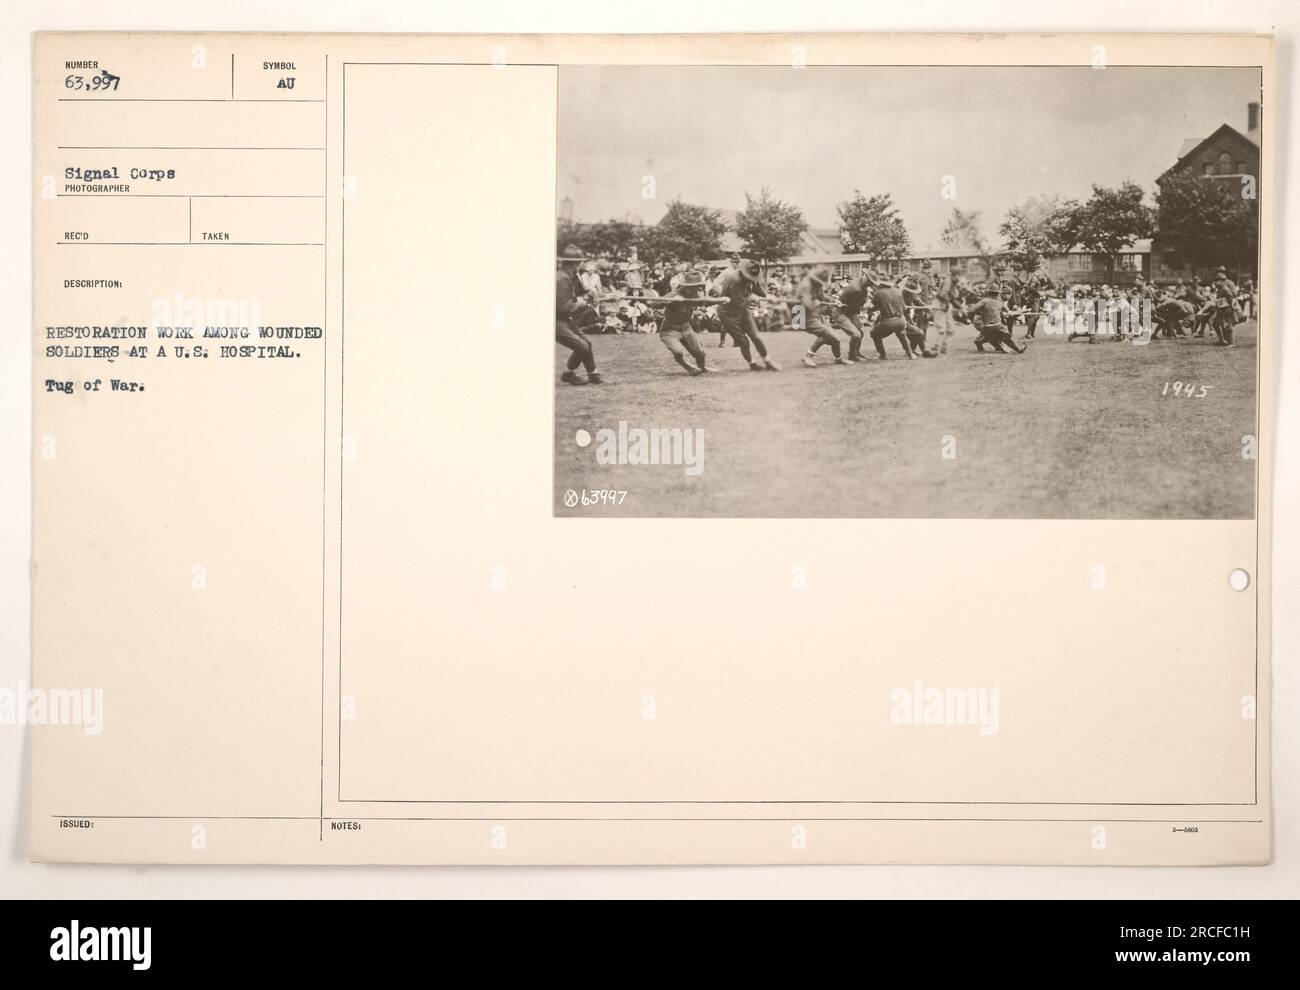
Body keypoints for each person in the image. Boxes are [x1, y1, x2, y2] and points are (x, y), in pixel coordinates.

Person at [709, 258, 780, 370]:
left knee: (756, 337)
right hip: (728, 313)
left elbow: (759, 291)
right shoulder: (735, 279)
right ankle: (752, 364)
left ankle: (768, 361)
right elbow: (739, 303)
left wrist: (769, 297)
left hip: (742, 310)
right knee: (743, 341)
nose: (752, 279)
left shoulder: (753, 274)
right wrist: (753, 298)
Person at [654, 269, 717, 375]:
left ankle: (702, 368)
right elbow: (654, 304)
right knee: (678, 352)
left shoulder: (694, 295)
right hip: (670, 330)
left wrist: (723, 299)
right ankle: (688, 367)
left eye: (699, 286)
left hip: (686, 328)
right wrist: (671, 300)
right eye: (695, 286)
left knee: (700, 353)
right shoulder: (674, 294)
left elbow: (705, 302)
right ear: (687, 286)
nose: (698, 288)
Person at [555, 244, 602, 384]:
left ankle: (593, 374)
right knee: (582, 346)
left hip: (564, 318)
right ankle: (567, 374)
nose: (581, 265)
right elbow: (563, 306)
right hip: (556, 320)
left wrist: (591, 294)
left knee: (587, 343)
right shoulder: (561, 278)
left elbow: (578, 294)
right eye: (579, 262)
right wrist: (581, 304)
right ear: (574, 263)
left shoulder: (568, 275)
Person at [796, 265, 850, 367]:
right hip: (803, 316)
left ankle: (838, 359)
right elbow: (804, 303)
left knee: (834, 339)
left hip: (816, 315)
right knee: (827, 334)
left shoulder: (818, 286)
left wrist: (835, 301)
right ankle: (808, 356)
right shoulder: (806, 286)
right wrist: (812, 302)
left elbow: (823, 297)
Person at [868, 272, 917, 360]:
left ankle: (882, 355)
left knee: (874, 334)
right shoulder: (897, 291)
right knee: (901, 333)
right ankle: (910, 354)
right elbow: (904, 308)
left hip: (888, 321)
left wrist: (868, 307)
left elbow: (874, 307)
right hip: (901, 320)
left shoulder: (878, 293)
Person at [971, 283, 1027, 354]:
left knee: (990, 335)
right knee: (1002, 335)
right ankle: (1018, 349)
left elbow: (1001, 311)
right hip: (981, 321)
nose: (1010, 297)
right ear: (1003, 293)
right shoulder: (997, 300)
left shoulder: (991, 300)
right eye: (1009, 295)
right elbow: (1003, 312)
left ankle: (979, 342)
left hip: (986, 323)